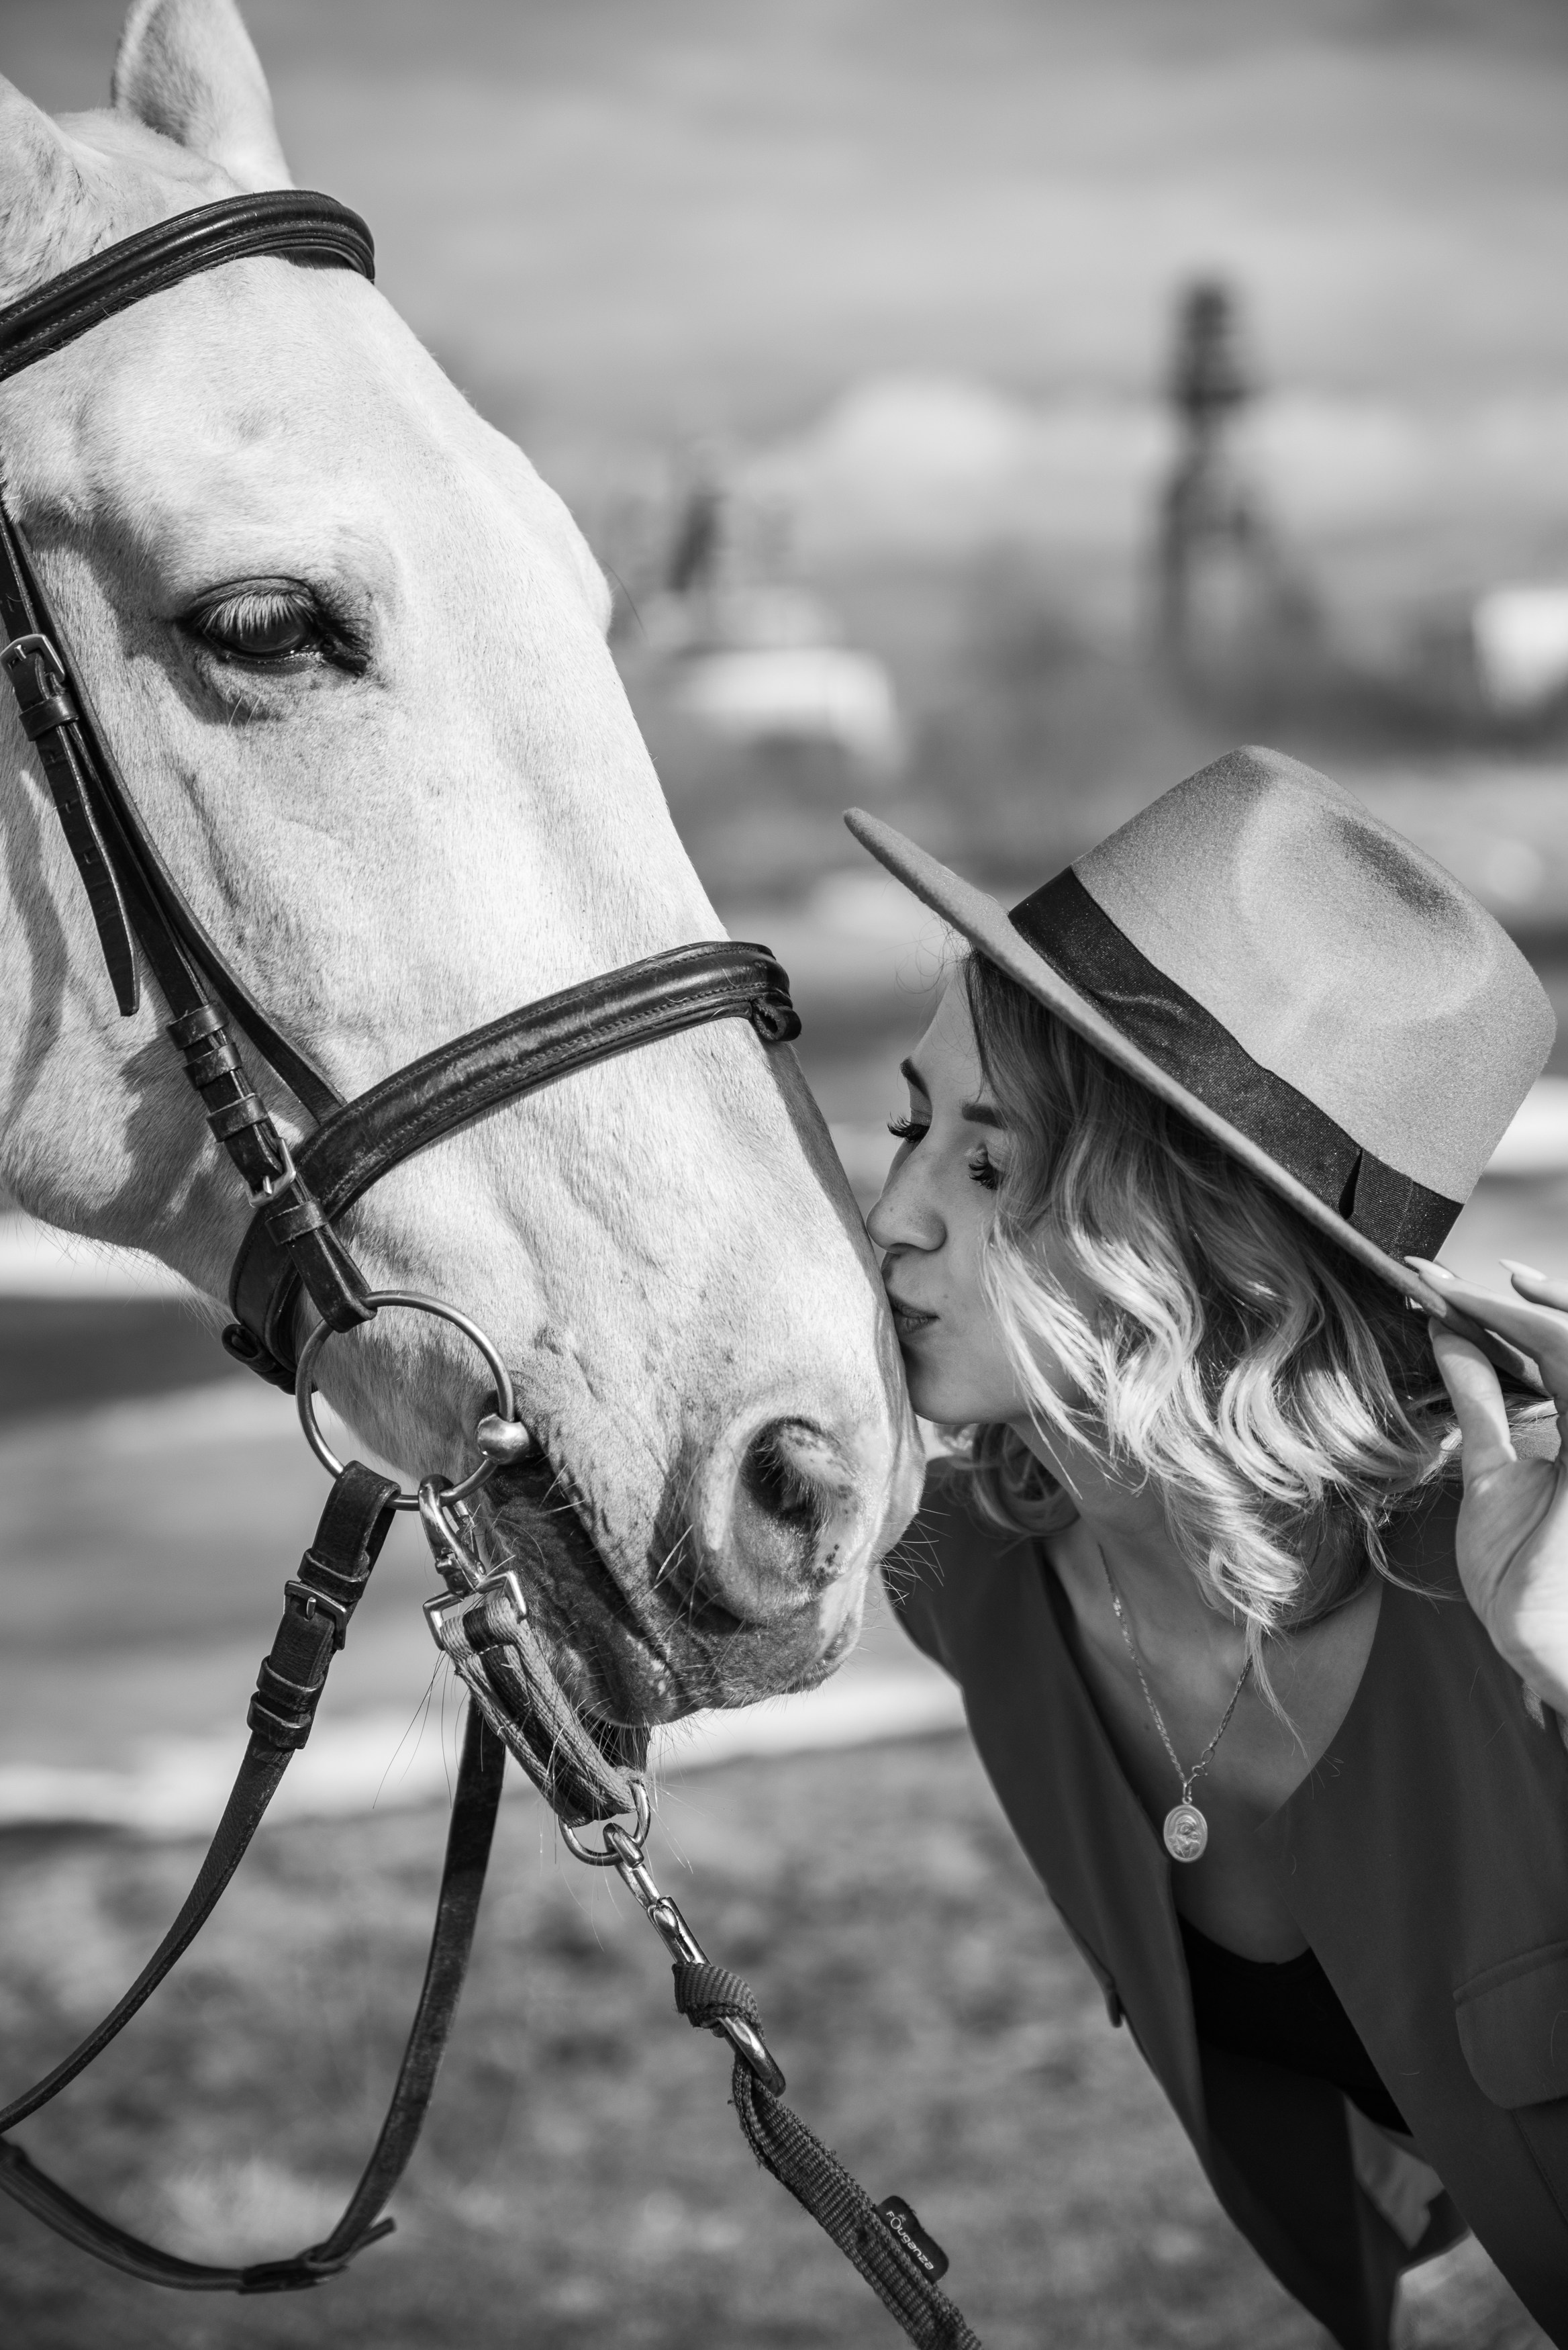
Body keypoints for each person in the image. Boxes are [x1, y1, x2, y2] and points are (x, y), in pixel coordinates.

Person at [845, 746, 1568, 2350]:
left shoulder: (1520, 1588)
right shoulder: (969, 1569)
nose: (893, 1215)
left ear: (1194, 1245)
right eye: (907, 1130)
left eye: (988, 1165)